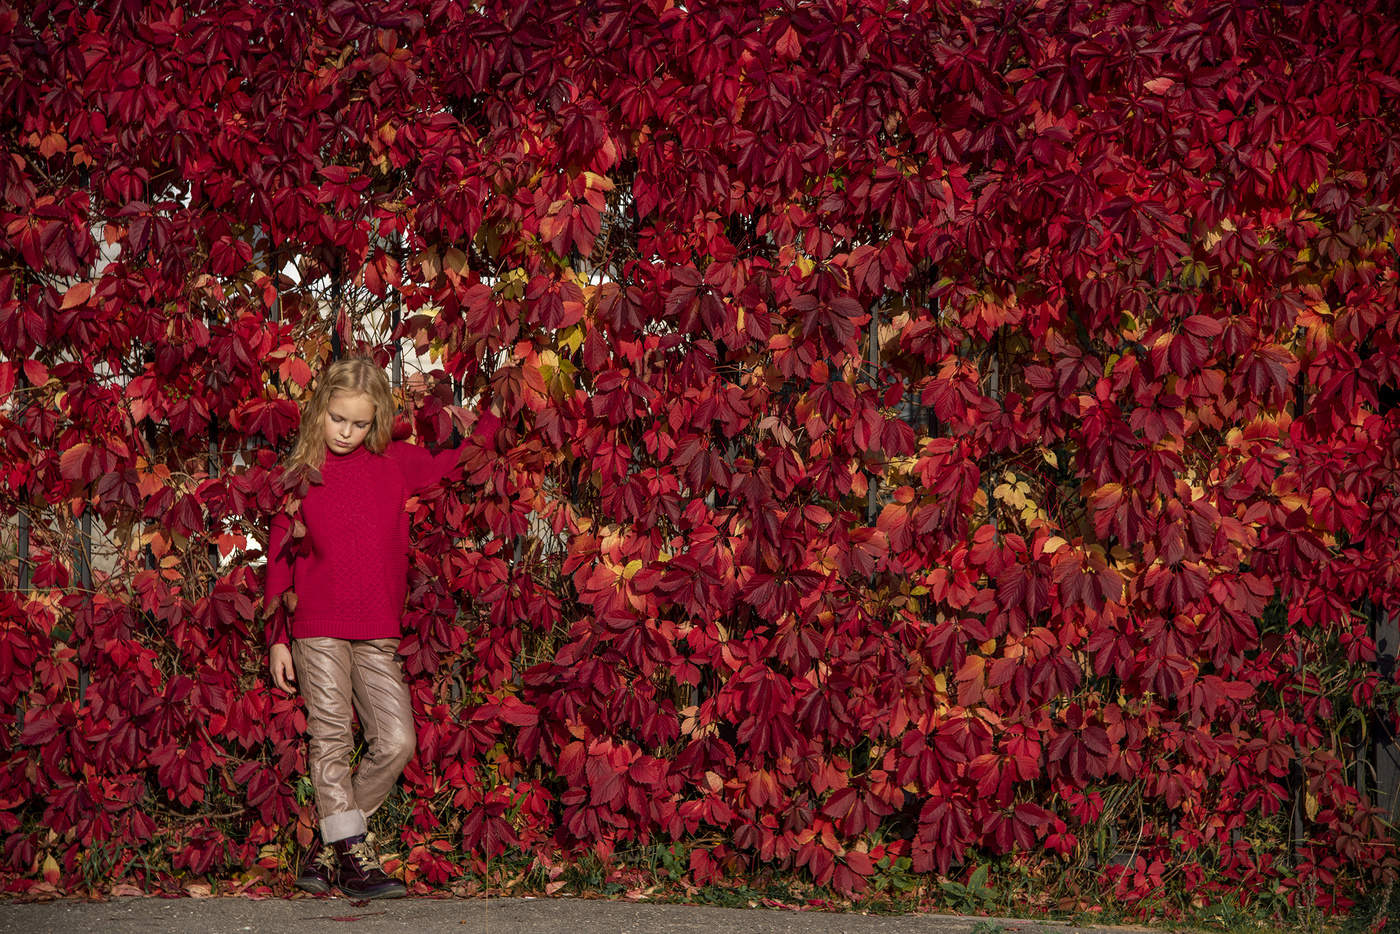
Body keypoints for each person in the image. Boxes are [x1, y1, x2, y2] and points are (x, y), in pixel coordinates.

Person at [262, 356, 495, 899]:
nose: (346, 433)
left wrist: (490, 413)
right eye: (337, 419)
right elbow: (278, 559)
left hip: (379, 627)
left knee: (396, 740)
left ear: (377, 422)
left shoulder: (395, 462)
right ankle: (357, 861)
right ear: (320, 410)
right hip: (316, 625)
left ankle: (329, 848)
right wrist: (277, 638)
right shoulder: (300, 476)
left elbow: (460, 460)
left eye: (360, 423)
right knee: (332, 736)